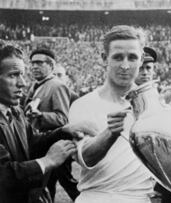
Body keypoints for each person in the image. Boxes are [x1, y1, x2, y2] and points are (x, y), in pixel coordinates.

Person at [0, 43, 96, 203]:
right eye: (13, 75)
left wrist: (63, 131)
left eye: (22, 74)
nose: (22, 83)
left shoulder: (14, 111)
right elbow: (4, 174)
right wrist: (47, 161)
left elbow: (31, 142)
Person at [69, 25, 154, 203]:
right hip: (97, 198)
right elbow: (83, 158)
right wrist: (110, 134)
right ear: (103, 58)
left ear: (141, 60)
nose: (125, 65)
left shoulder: (154, 104)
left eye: (132, 57)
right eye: (117, 57)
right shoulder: (83, 105)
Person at [23, 48, 78, 201]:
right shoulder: (36, 85)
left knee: (62, 183)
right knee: (47, 187)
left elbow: (62, 119)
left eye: (39, 63)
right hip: (40, 145)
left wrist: (41, 115)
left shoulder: (57, 86)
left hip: (54, 145)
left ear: (51, 66)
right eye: (33, 63)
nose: (34, 66)